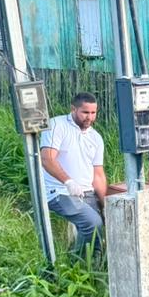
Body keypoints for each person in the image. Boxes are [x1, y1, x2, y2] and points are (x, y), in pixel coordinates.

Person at [40, 92, 107, 257]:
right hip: (60, 191)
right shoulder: (57, 125)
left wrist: (104, 204)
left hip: (87, 192)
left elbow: (98, 174)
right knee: (92, 223)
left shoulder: (96, 138)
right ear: (73, 109)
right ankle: (79, 265)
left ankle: (88, 266)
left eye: (93, 113)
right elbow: (47, 158)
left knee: (102, 228)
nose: (89, 117)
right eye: (85, 112)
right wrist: (68, 182)